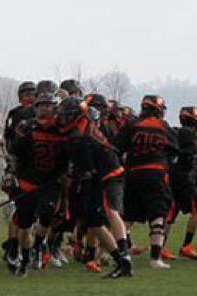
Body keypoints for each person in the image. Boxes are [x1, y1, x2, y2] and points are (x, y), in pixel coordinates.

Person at [58, 96, 133, 278]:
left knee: (110, 210)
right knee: (94, 221)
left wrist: (68, 176)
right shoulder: (84, 125)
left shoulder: (79, 137)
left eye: (68, 116)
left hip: (108, 174)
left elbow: (84, 169)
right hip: (98, 175)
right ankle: (121, 261)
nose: (64, 119)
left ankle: (124, 253)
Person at [8, 91, 70, 275]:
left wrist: (67, 172)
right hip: (28, 182)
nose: (44, 109)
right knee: (25, 224)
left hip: (51, 182)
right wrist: (11, 174)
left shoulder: (63, 129)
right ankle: (25, 257)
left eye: (48, 105)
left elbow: (71, 154)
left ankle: (37, 247)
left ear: (55, 108)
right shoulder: (27, 128)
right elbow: (15, 154)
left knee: (46, 213)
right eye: (41, 105)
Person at [115, 95, 179, 269]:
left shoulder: (132, 125)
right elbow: (174, 152)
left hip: (134, 173)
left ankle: (117, 252)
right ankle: (155, 258)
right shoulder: (164, 127)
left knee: (127, 216)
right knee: (158, 216)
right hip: (157, 174)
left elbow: (116, 148)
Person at [0, 81, 38, 266]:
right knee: (23, 212)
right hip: (24, 168)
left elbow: (8, 142)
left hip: (16, 165)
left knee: (20, 210)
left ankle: (14, 246)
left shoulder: (14, 114)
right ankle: (15, 247)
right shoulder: (24, 114)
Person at [163, 106, 197, 260]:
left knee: (171, 213)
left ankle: (160, 246)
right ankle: (186, 246)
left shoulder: (178, 133)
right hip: (183, 179)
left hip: (174, 177)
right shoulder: (186, 135)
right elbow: (190, 156)